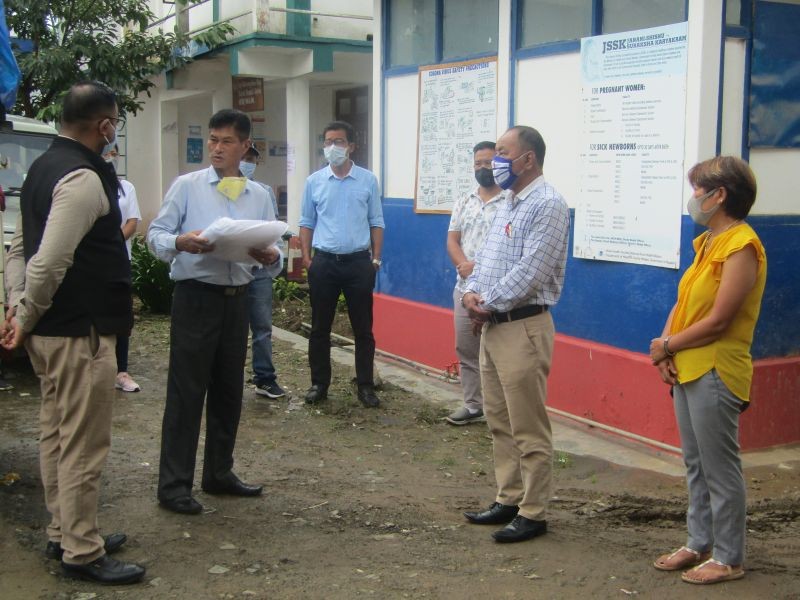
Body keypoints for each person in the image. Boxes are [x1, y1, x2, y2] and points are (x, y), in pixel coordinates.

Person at [1, 80, 145, 584]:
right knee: (83, 443)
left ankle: (65, 529)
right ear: (104, 125)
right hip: (78, 334)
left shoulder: (42, 167)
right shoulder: (81, 178)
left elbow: (18, 250)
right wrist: (24, 317)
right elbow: (49, 260)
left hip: (53, 332)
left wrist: (18, 310)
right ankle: (82, 551)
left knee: (56, 433)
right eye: (115, 123)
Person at [148, 109, 282, 515]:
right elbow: (155, 236)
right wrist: (179, 242)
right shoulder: (187, 187)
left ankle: (219, 473)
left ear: (245, 146)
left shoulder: (258, 195)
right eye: (212, 140)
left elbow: (274, 257)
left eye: (226, 141)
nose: (217, 148)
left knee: (228, 391)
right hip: (196, 298)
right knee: (187, 393)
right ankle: (174, 487)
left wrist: (268, 255)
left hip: (236, 298)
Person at [649, 156, 766, 585]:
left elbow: (719, 319)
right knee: (696, 463)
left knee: (720, 466)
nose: (694, 197)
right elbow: (685, 304)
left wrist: (667, 346)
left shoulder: (741, 246)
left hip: (716, 368)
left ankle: (729, 556)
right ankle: (698, 542)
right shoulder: (708, 244)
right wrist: (664, 351)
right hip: (688, 366)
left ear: (721, 195)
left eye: (700, 189)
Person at [461, 126, 570, 543]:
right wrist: (472, 292)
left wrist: (485, 301)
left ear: (528, 159)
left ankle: (534, 511)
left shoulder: (549, 204)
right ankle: (508, 497)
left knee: (528, 425)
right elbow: (485, 260)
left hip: (523, 325)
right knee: (499, 420)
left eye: (503, 153)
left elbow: (531, 272)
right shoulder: (507, 201)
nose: (494, 163)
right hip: (493, 326)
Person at [299, 120, 384, 408]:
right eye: (328, 142)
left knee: (363, 329)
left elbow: (377, 221)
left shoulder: (368, 180)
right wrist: (308, 259)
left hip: (359, 264)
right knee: (320, 328)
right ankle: (319, 384)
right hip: (324, 263)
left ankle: (365, 386)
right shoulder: (314, 182)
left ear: (351, 146)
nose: (333, 147)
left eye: (339, 141)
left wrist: (375, 258)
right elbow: (306, 222)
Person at [445, 141, 502, 425]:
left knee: (499, 352)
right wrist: (464, 267)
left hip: (499, 289)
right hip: (463, 286)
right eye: (478, 163)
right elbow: (453, 239)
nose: (483, 168)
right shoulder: (464, 201)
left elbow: (509, 248)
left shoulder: (510, 202)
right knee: (466, 348)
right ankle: (472, 404)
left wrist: (478, 267)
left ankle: (499, 412)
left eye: (489, 162)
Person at [240, 143, 286, 399]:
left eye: (251, 159)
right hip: (230, 268)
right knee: (228, 329)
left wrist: (274, 253)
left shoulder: (263, 192)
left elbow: (274, 231)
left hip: (258, 271)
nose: (247, 163)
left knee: (262, 327)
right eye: (244, 158)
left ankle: (265, 378)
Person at [102, 143, 141, 393]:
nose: (110, 157)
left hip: (119, 260)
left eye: (114, 153)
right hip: (94, 264)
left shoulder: (126, 188)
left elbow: (132, 222)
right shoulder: (90, 184)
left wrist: (113, 242)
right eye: (106, 152)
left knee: (121, 315)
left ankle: (121, 371)